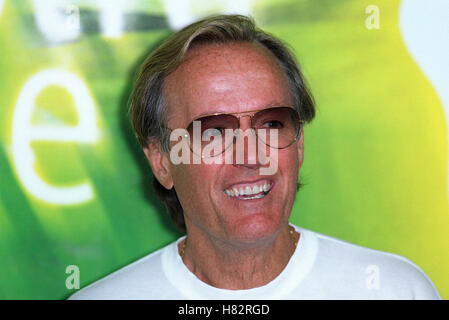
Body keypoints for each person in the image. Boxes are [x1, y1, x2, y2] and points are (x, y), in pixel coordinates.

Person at [69, 14, 440, 300]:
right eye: (213, 131)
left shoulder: (393, 290)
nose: (252, 156)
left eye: (272, 123)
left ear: (299, 145)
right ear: (161, 161)